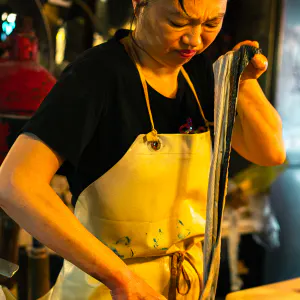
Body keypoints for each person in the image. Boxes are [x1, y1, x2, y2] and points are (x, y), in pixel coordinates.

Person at [0, 0, 285, 299]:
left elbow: (270, 153)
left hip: (188, 284)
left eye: (212, 24)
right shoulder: (97, 75)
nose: (194, 40)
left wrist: (243, 83)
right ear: (139, 3)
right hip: (106, 289)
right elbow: (14, 183)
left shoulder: (202, 73)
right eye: (177, 22)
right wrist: (121, 279)